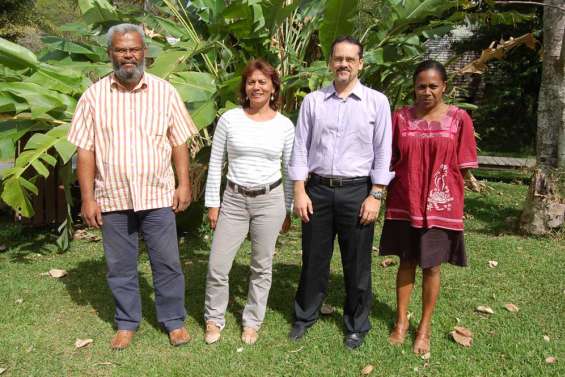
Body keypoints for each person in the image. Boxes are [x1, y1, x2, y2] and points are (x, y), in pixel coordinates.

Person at [67, 23, 197, 350]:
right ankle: (126, 322)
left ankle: (174, 321)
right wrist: (87, 198)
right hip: (113, 197)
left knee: (167, 262)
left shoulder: (164, 92)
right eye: (121, 50)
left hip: (157, 194)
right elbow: (85, 151)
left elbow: (179, 142)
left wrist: (184, 184)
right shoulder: (94, 97)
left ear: (144, 53)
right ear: (110, 53)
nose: (128, 55)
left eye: (134, 49)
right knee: (120, 266)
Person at [288, 36, 393, 349]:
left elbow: (383, 150)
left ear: (361, 63)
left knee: (358, 263)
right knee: (314, 259)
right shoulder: (313, 101)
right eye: (338, 59)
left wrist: (375, 195)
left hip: (357, 192)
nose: (343, 64)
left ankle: (356, 324)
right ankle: (305, 316)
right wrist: (299, 191)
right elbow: (300, 149)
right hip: (317, 190)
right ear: (329, 62)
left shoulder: (377, 102)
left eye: (350, 59)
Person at [379, 60, 478, 354]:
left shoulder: (459, 120)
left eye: (433, 86)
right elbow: (389, 158)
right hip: (404, 202)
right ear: (414, 87)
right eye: (421, 86)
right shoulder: (400, 119)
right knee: (406, 261)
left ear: (444, 87)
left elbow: (463, 165)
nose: (426, 91)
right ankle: (400, 322)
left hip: (440, 205)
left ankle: (424, 327)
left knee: (432, 266)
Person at [203, 59, 294, 345]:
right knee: (218, 265)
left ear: (273, 87)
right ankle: (214, 318)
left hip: (270, 201)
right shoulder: (230, 119)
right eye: (252, 81)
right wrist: (213, 203)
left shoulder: (284, 125)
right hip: (234, 199)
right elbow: (216, 162)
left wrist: (288, 208)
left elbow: (290, 171)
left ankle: (252, 321)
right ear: (245, 86)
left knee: (261, 266)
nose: (257, 86)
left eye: (262, 82)